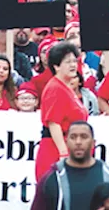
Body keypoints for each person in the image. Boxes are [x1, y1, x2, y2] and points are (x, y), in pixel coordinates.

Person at [36, 42, 90, 182]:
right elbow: (54, 123)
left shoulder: (66, 87)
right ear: (56, 66)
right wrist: (64, 153)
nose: (73, 65)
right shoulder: (55, 88)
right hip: (55, 150)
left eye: (74, 61)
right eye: (67, 62)